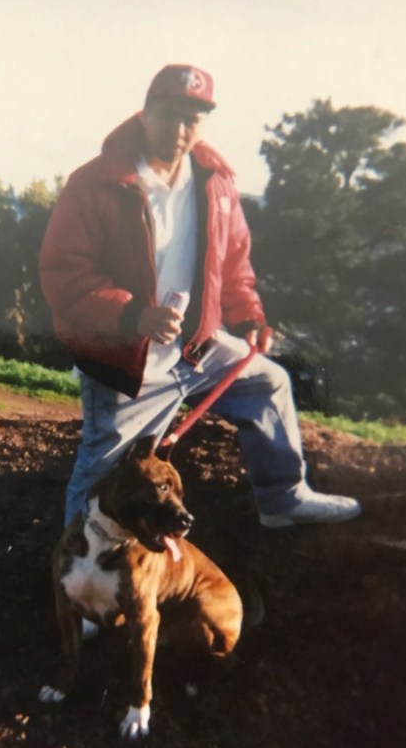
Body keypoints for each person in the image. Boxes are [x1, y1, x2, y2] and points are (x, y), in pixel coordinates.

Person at [39, 63, 361, 531]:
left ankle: (283, 499)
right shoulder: (95, 183)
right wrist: (134, 314)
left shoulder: (215, 180)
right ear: (145, 114)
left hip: (198, 349)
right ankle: (75, 562)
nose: (179, 130)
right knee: (105, 472)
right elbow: (65, 274)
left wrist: (248, 319)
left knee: (267, 384)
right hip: (129, 360)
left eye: (192, 119)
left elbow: (234, 263)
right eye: (168, 115)